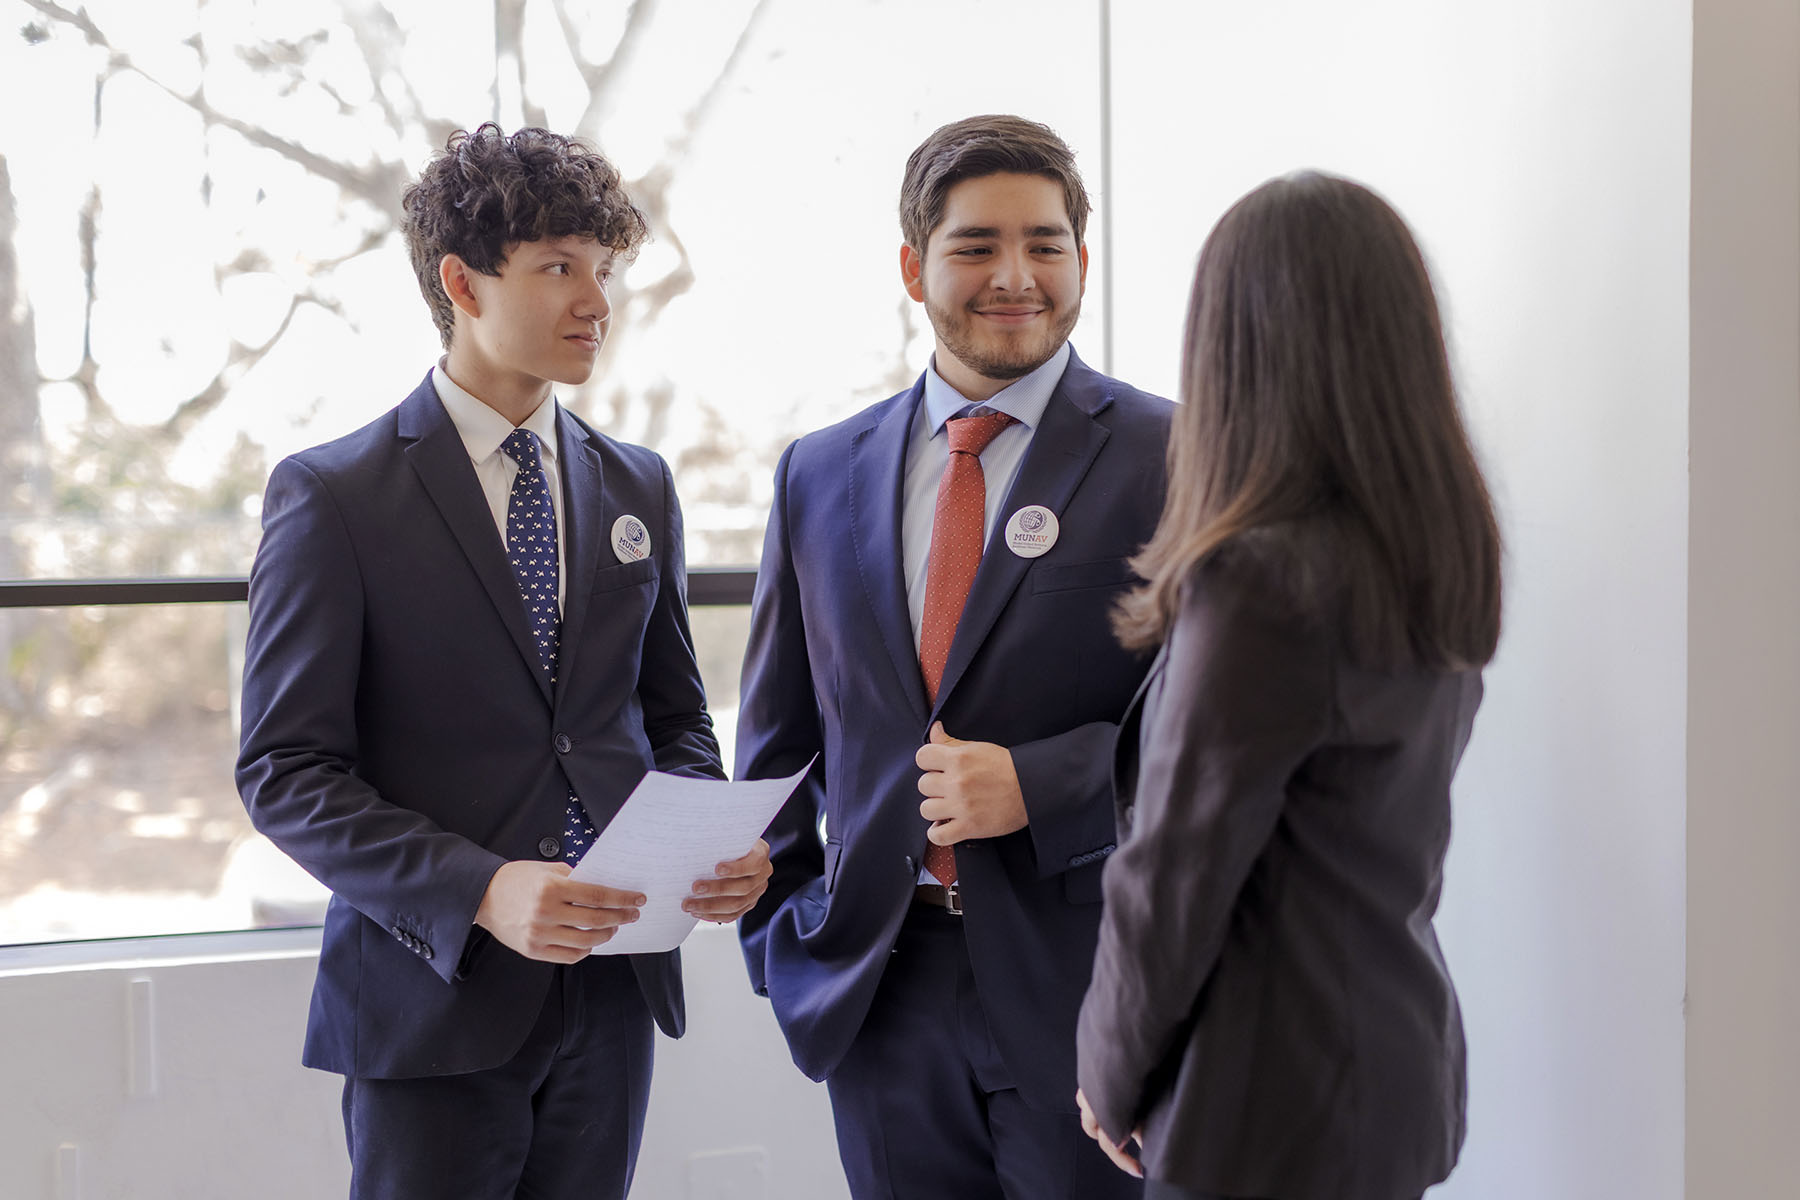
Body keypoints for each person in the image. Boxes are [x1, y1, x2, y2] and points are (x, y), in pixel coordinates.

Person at [235, 124, 771, 1200]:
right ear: (461, 282)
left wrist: (709, 838)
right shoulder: (334, 496)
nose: (596, 301)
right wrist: (482, 891)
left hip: (613, 992)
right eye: (558, 267)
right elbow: (286, 774)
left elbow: (668, 718)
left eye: (605, 269)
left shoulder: (638, 487)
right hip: (430, 999)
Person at [736, 113, 1172, 1199]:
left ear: (1083, 259)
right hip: (884, 993)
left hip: (1090, 985)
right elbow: (780, 739)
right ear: (913, 266)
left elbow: (1214, 733)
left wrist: (1043, 784)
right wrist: (786, 936)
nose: (1015, 275)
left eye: (1045, 243)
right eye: (976, 245)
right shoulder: (818, 473)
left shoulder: (1182, 452)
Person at [1073, 171, 1503, 1200]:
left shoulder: (1262, 578)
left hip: (1263, 1104)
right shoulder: (1431, 551)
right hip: (1391, 1071)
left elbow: (1175, 870)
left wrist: (1106, 1072)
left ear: (1237, 349)